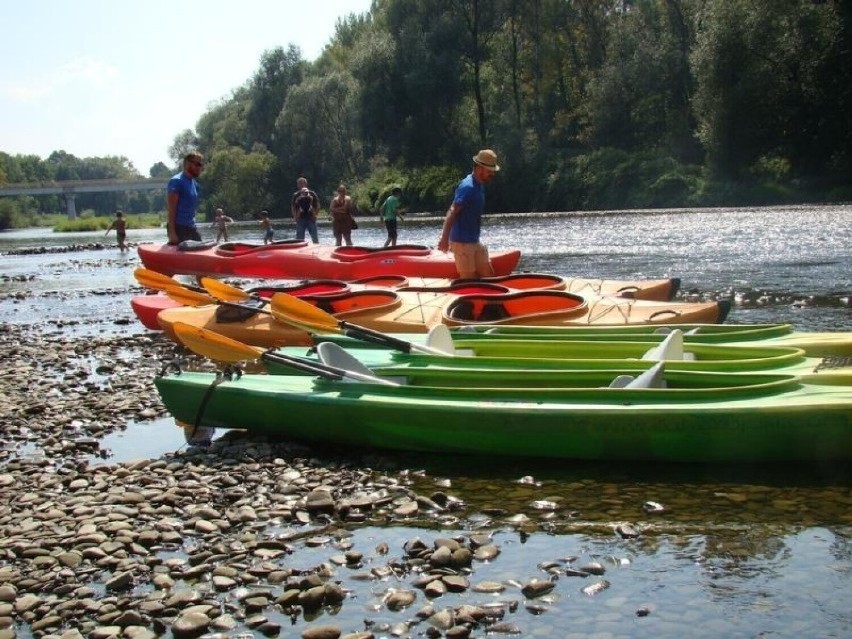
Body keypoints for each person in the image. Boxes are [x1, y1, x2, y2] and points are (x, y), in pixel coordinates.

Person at [437, 149, 500, 278]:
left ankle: (492, 297)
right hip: (462, 243)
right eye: (489, 171)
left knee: (488, 275)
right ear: (479, 168)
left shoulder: (479, 185)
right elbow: (453, 211)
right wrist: (444, 239)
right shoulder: (468, 187)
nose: (492, 174)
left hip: (474, 240)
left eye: (492, 171)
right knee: (468, 281)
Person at [167, 152, 204, 245]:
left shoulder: (195, 184)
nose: (200, 168)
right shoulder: (176, 181)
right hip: (179, 228)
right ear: (188, 164)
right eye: (198, 164)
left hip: (191, 227)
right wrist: (172, 233)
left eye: (201, 165)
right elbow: (171, 209)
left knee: (202, 250)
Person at [290, 177, 320, 243]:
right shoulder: (296, 195)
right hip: (300, 218)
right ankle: (299, 250)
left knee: (315, 238)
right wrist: (295, 217)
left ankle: (316, 248)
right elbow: (293, 207)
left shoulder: (312, 194)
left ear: (306, 184)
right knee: (299, 239)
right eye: (298, 183)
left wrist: (315, 215)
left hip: (311, 218)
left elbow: (317, 206)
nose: (300, 185)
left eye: (301, 183)